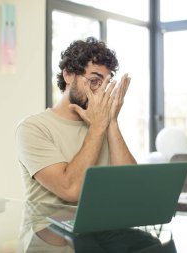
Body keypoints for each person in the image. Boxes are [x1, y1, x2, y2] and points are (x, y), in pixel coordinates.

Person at [16, 37, 136, 205]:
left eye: (105, 84)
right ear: (68, 74)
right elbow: (71, 190)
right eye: (94, 81)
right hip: (50, 229)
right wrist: (98, 127)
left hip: (101, 229)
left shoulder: (105, 124)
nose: (99, 92)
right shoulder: (33, 128)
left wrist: (112, 122)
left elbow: (132, 190)